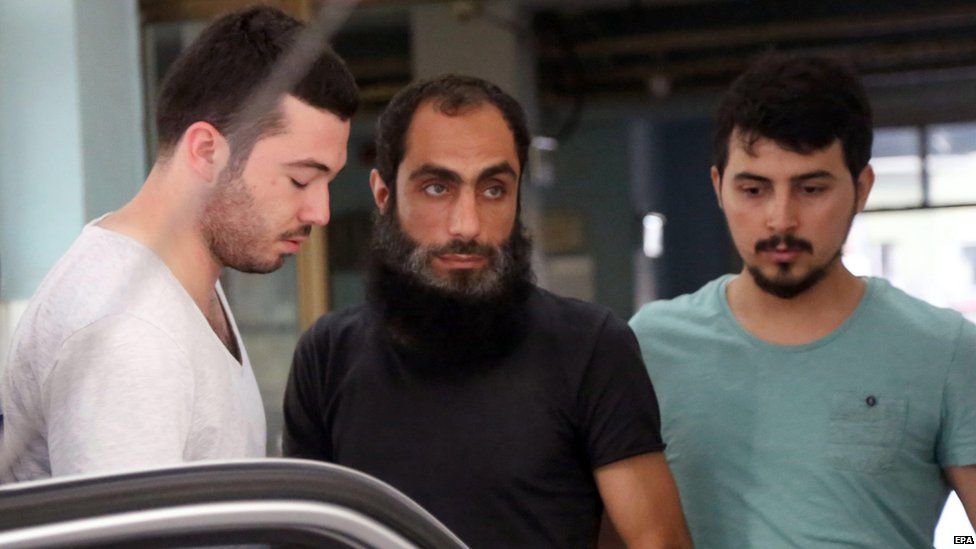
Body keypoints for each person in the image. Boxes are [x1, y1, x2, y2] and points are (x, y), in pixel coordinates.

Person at [283, 74, 691, 548]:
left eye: (494, 189)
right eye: (437, 188)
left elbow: (658, 543)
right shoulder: (328, 355)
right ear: (384, 195)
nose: (467, 224)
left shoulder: (590, 346)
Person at [630, 53, 976, 547]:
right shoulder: (649, 345)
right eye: (753, 189)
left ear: (861, 189)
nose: (780, 220)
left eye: (811, 188)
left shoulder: (946, 351)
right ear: (718, 187)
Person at [0, 6, 358, 481]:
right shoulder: (129, 333)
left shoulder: (181, 282)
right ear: (207, 152)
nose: (321, 212)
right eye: (299, 180)